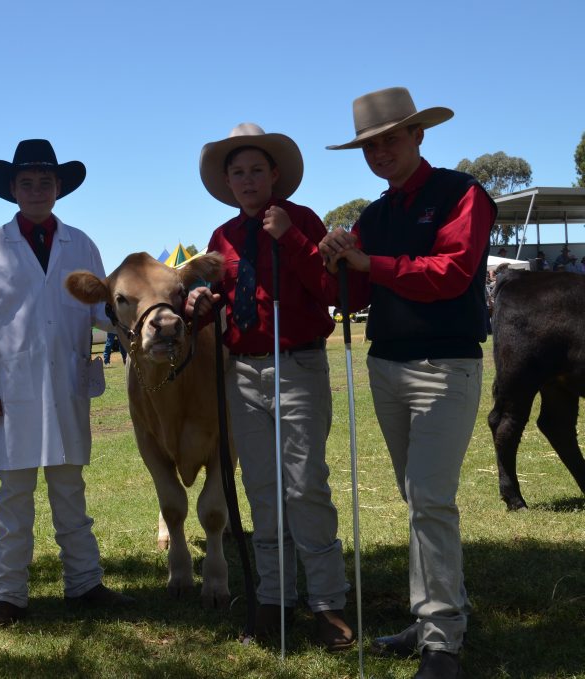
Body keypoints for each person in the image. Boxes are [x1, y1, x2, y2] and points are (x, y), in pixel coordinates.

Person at [320, 87, 497, 679]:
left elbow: (451, 273)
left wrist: (372, 263)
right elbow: (356, 295)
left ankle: (442, 638)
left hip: (446, 366)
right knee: (417, 499)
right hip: (386, 366)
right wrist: (336, 258)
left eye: (389, 139)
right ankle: (432, 620)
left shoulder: (462, 193)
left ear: (419, 135)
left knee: (429, 502)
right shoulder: (373, 215)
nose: (379, 152)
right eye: (369, 145)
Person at [184, 123, 354, 651]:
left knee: (305, 484)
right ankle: (273, 599)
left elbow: (331, 289)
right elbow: (215, 299)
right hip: (244, 372)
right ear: (228, 181)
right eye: (239, 172)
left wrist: (293, 239)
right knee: (261, 488)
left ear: (275, 175)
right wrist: (200, 307)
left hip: (297, 364)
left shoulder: (301, 221)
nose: (248, 179)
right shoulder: (223, 238)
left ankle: (328, 603)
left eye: (257, 169)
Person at [0, 139, 132, 628]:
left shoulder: (80, 243)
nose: (36, 190)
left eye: (45, 182)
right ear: (13, 190)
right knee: (13, 498)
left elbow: (102, 309)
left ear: (59, 188)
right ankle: (8, 596)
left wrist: (135, 318)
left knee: (69, 491)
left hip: (65, 381)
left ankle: (85, 584)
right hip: (11, 389)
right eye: (26, 183)